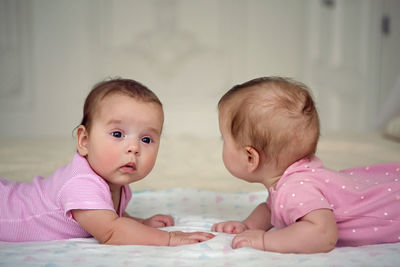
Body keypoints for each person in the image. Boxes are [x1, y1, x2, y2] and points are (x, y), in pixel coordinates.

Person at [0, 78, 214, 246]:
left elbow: (110, 216)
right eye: (118, 134)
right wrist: (168, 239)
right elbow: (112, 231)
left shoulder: (116, 181)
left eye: (146, 139)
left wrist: (139, 223)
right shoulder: (81, 183)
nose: (134, 147)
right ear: (84, 141)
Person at [212, 76, 400, 253]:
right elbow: (272, 207)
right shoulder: (290, 179)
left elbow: (323, 234)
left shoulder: (296, 188)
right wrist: (248, 225)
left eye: (224, 139)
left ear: (250, 158)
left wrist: (264, 240)